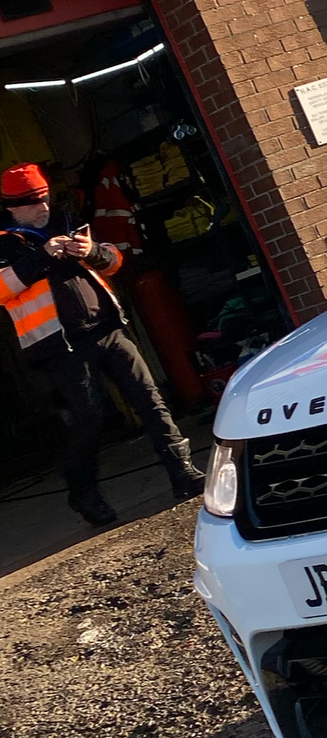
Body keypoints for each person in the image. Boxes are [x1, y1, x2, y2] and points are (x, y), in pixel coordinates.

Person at [0, 162, 204, 527]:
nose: (43, 208)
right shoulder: (6, 241)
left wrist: (91, 251)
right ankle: (82, 491)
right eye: (33, 202)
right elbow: (2, 290)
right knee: (90, 418)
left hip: (107, 328)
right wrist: (42, 256)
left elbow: (114, 262)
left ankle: (184, 473)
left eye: (45, 199)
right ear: (12, 206)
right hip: (59, 345)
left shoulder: (67, 221)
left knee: (149, 398)